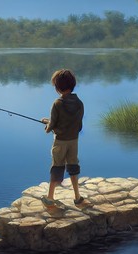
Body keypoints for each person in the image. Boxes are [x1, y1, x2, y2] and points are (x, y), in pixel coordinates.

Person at [41, 69, 85, 207]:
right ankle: (77, 196)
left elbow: (53, 125)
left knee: (57, 167)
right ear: (73, 85)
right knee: (73, 166)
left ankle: (50, 197)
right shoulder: (79, 103)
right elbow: (78, 124)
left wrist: (47, 126)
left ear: (57, 87)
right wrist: (50, 121)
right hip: (74, 141)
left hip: (60, 142)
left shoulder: (57, 103)